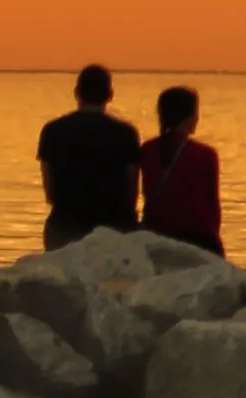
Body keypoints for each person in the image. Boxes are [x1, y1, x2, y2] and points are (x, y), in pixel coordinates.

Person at [36, 63, 141, 249]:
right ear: (110, 95)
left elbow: (50, 191)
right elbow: (131, 191)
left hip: (64, 224)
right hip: (112, 227)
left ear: (76, 92)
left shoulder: (52, 131)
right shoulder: (126, 133)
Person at [141, 85, 224, 257]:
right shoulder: (206, 155)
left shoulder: (147, 150)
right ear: (190, 117)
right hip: (199, 240)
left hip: (157, 236)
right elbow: (213, 208)